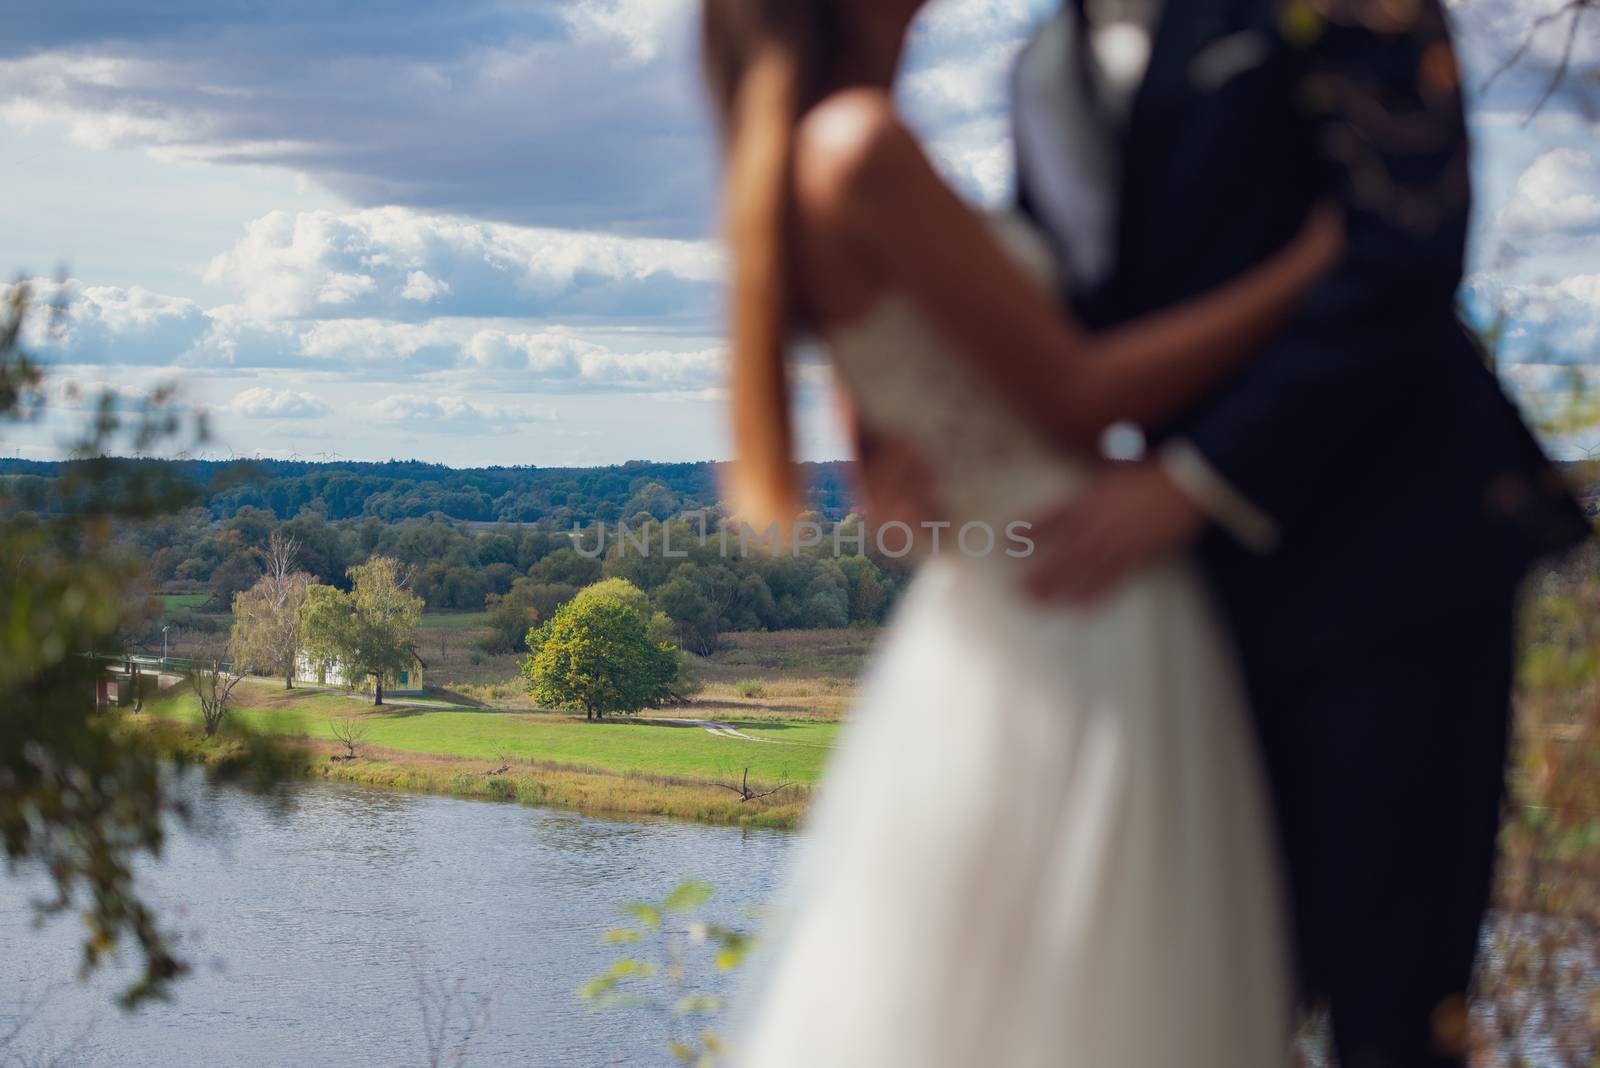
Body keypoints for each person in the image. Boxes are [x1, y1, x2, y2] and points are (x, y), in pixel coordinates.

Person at [864, 2, 1591, 1066]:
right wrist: (934, 434)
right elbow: (1062, 326)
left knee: (1392, 1021)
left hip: (1392, 570)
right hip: (1172, 605)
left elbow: (1401, 247)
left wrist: (1195, 481)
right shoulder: (1042, 65)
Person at [701, 2, 1345, 1065]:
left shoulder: (799, 164)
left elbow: (884, 493)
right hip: (1084, 601)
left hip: (985, 617)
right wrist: (1305, 268)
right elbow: (1076, 393)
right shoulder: (862, 142)